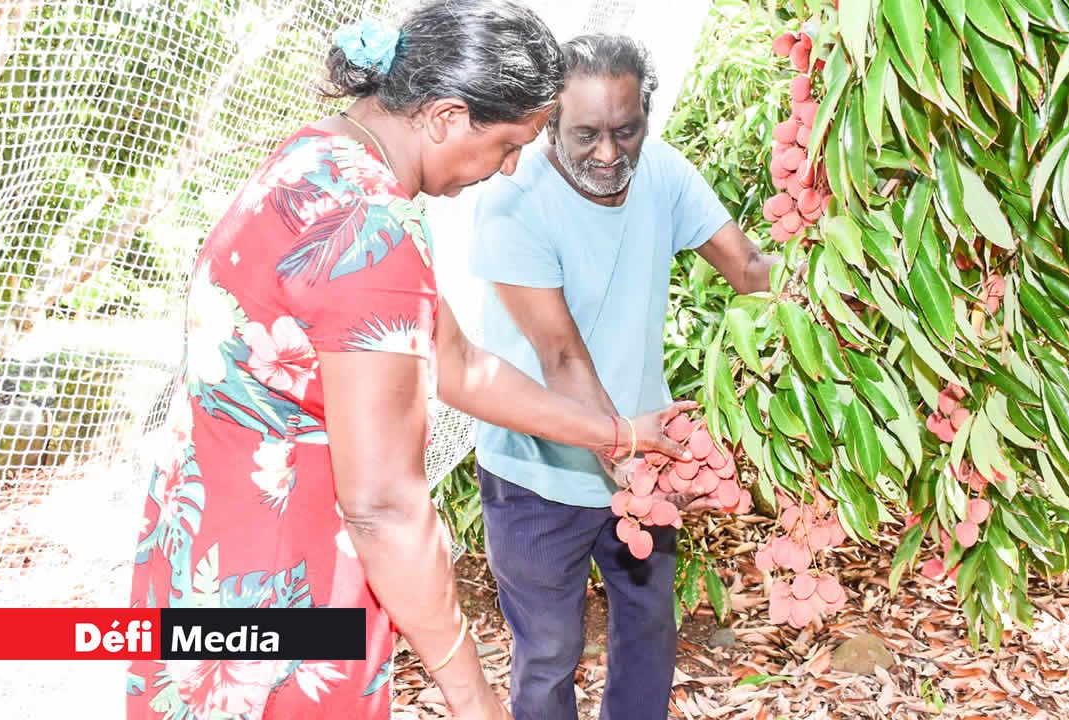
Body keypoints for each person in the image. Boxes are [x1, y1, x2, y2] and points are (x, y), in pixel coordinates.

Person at [126, 8, 696, 720]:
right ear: (448, 116)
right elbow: (382, 506)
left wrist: (620, 436)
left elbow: (457, 362)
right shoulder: (374, 232)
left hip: (208, 541)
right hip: (284, 579)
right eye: (509, 142)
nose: (511, 166)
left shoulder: (321, 156)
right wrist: (472, 695)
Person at [470, 34, 778, 720]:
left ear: (646, 116)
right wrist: (631, 458)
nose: (608, 154)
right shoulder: (513, 202)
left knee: (648, 631)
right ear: (550, 120)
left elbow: (751, 270)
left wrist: (851, 276)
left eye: (626, 130)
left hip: (641, 447)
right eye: (585, 134)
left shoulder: (664, 173)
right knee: (549, 652)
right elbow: (562, 357)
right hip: (537, 474)